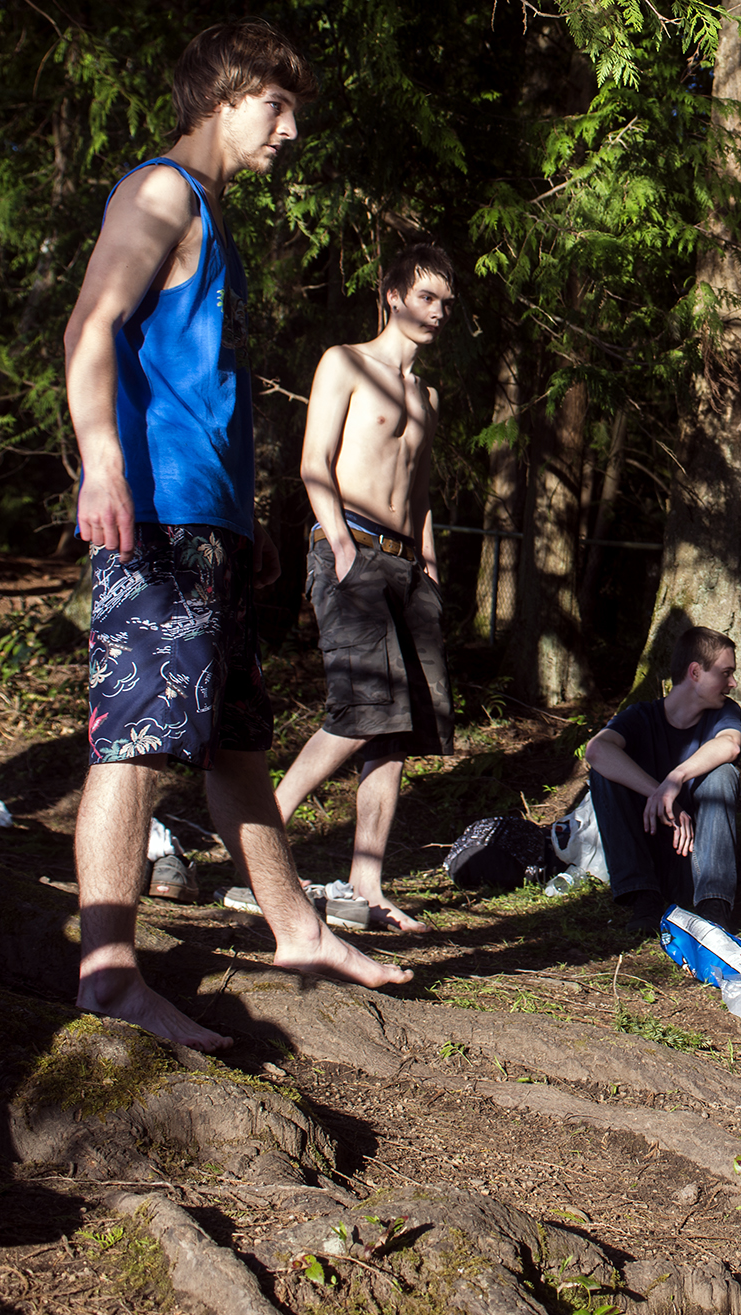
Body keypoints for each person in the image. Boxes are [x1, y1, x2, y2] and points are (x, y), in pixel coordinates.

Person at [64, 21, 411, 1052]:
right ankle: (110, 974)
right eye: (276, 105)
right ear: (222, 99)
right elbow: (90, 327)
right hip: (156, 518)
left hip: (205, 520)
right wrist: (106, 461)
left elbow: (199, 385)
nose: (290, 128)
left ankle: (298, 929)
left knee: (235, 745)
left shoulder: (207, 212)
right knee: (135, 744)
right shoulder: (162, 192)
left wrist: (248, 518)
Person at [272, 244, 459, 933]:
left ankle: (367, 885)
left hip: (408, 565)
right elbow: (314, 461)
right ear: (392, 296)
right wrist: (342, 544)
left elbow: (421, 487)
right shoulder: (345, 362)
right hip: (348, 543)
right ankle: (264, 828)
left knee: (399, 729)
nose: (437, 311)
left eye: (444, 301)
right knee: (361, 707)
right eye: (426, 297)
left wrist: (429, 559)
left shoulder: (427, 395)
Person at [584, 627, 741, 932]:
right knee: (604, 775)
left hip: (697, 860)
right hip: (652, 853)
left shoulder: (724, 712)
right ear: (695, 672)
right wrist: (659, 794)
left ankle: (713, 908)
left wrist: (675, 778)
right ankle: (644, 899)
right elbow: (597, 750)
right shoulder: (641, 715)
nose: (732, 683)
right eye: (725, 673)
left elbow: (730, 744)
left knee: (723, 774)